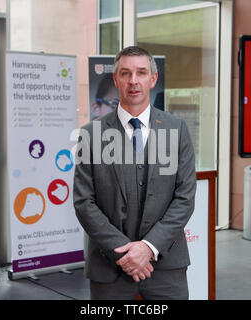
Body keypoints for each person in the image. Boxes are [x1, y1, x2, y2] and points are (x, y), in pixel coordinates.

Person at [73, 46, 196, 300]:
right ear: (116, 79)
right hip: (109, 267)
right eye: (125, 73)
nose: (133, 81)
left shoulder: (178, 129)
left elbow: (185, 198)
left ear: (153, 79)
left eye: (141, 72)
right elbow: (84, 202)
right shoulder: (90, 134)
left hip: (166, 266)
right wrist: (125, 254)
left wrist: (148, 249)